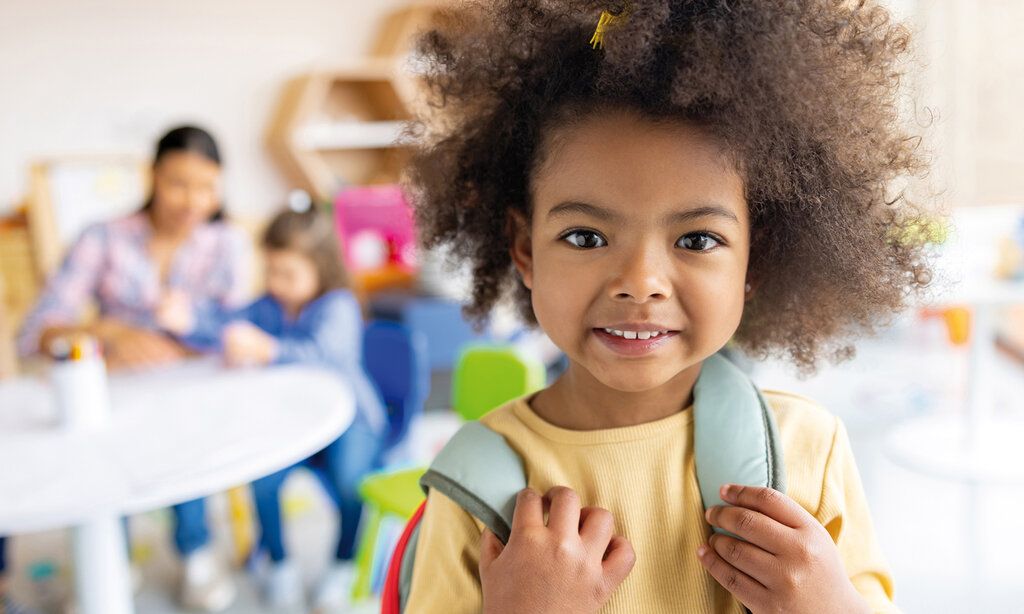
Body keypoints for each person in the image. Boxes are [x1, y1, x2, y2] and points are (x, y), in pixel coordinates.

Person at [400, 1, 931, 612]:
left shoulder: (807, 448)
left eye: (697, 240)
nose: (640, 283)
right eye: (586, 237)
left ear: (754, 259)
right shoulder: (473, 488)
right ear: (525, 249)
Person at [17, 125, 250, 611]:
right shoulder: (103, 237)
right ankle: (114, 560)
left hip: (193, 395)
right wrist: (107, 331)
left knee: (188, 446)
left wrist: (183, 341)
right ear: (152, 176)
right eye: (178, 184)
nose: (193, 201)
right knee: (105, 466)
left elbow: (239, 331)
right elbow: (36, 331)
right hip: (116, 393)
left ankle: (195, 551)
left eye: (207, 187)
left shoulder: (227, 242)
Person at [163, 198, 387, 612]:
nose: (276, 283)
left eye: (288, 273)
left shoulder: (338, 304)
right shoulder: (268, 305)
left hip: (352, 419)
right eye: (270, 271)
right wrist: (188, 321)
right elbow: (225, 324)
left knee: (349, 482)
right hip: (293, 420)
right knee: (262, 476)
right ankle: (280, 563)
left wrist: (267, 349)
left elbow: (326, 354)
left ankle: (342, 565)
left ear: (321, 267)